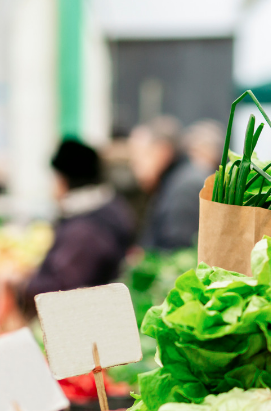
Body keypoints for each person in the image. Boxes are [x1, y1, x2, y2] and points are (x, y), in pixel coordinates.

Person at [22, 140, 135, 311]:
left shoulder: (84, 230)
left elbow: (57, 291)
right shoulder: (107, 209)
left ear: (64, 180)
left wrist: (21, 286)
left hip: (84, 317)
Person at [128, 116, 211, 251]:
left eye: (138, 158)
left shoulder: (184, 189)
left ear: (162, 151)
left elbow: (177, 251)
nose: (134, 168)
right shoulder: (176, 180)